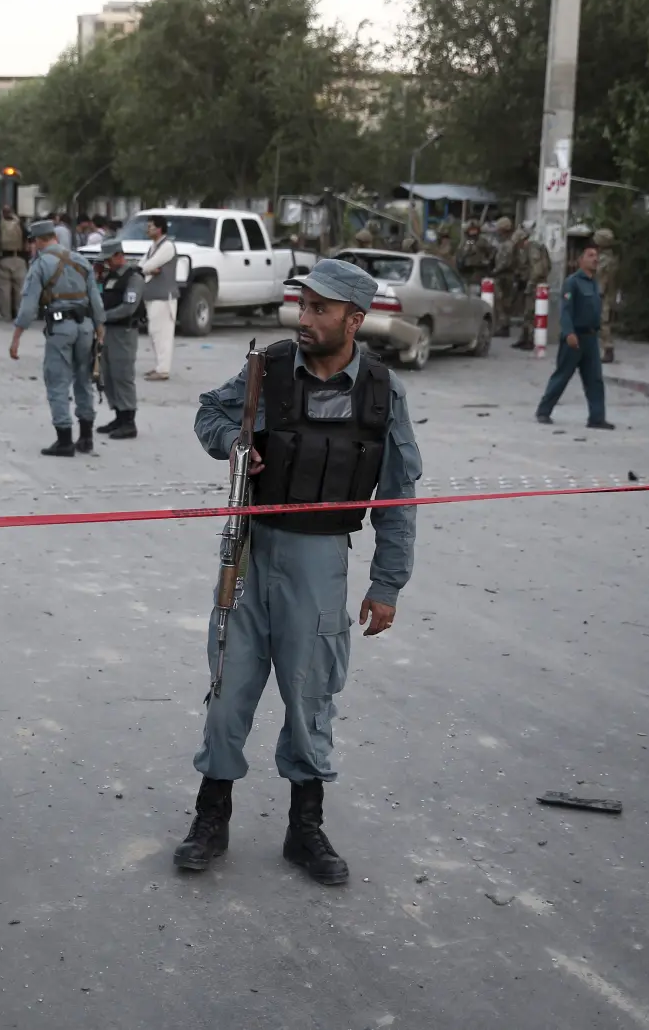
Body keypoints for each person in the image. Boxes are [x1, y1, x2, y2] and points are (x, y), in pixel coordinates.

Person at [175, 258, 421, 884]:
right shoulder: (269, 368)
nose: (304, 319)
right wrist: (236, 441)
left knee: (311, 695)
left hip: (321, 564)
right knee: (228, 689)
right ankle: (212, 815)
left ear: (354, 320)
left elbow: (398, 495)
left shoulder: (381, 393)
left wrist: (387, 583)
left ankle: (304, 827)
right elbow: (209, 413)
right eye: (302, 306)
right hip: (251, 552)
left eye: (319, 309)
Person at [9, 219, 106, 456]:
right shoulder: (81, 260)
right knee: (84, 380)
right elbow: (96, 301)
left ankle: (64, 440)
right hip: (85, 327)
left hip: (61, 328)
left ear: (40, 240)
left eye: (33, 242)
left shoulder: (41, 264)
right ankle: (86, 438)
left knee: (57, 381)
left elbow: (29, 306)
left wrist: (16, 337)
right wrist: (99, 330)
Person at [535, 242, 612, 429]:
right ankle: (543, 411)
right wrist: (568, 332)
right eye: (590, 255)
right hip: (574, 337)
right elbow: (566, 310)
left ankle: (596, 418)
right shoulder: (572, 282)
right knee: (562, 376)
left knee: (594, 379)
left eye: (596, 256)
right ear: (581, 260)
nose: (595, 259)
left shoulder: (594, 282)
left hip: (590, 338)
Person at [95, 238, 144, 440]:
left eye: (109, 259)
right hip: (108, 332)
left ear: (118, 255)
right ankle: (118, 415)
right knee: (109, 374)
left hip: (124, 332)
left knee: (123, 374)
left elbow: (128, 307)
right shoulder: (110, 277)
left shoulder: (133, 278)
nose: (107, 263)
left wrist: (103, 317)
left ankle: (129, 420)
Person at [140, 215, 178, 381]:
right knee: (154, 333)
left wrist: (147, 269)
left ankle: (163, 370)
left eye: (151, 226)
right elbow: (142, 265)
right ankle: (159, 366)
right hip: (153, 295)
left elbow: (149, 265)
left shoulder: (167, 246)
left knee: (162, 334)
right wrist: (146, 269)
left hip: (163, 297)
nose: (148, 230)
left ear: (160, 228)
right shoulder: (153, 247)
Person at [513, 227, 551, 351]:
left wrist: (531, 283)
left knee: (531, 312)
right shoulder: (530, 248)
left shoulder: (532, 248)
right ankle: (524, 338)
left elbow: (537, 268)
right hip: (531, 283)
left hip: (535, 285)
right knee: (526, 312)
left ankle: (530, 339)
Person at [0, 206, 27, 321]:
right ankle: (19, 315)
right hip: (19, 258)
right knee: (20, 289)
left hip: (4, 258)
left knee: (4, 290)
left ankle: (6, 315)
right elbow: (28, 239)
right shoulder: (20, 224)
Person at [593, 228, 620, 363]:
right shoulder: (608, 257)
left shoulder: (605, 260)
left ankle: (608, 349)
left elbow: (602, 278)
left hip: (602, 294)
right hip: (604, 293)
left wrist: (597, 294)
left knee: (603, 322)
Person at [491, 216, 518, 338]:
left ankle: (503, 326)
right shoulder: (503, 243)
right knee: (501, 302)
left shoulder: (508, 245)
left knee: (502, 302)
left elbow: (505, 262)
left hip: (505, 276)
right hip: (504, 275)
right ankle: (502, 325)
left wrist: (495, 271)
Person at [454, 220, 495, 288]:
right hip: (466, 271)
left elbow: (492, 252)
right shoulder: (464, 243)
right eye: (471, 230)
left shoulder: (482, 241)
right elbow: (459, 255)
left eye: (474, 230)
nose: (473, 233)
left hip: (480, 270)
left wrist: (488, 261)